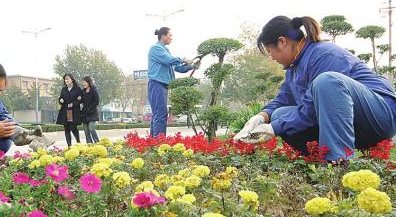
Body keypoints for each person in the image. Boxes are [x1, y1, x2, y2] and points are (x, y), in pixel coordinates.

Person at [234, 16, 396, 161]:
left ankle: (338, 164)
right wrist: (262, 117)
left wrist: (273, 128)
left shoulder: (324, 55)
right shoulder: (294, 68)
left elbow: (311, 109)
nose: (273, 58)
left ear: (282, 42)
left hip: (380, 115)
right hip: (354, 124)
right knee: (278, 114)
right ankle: (317, 159)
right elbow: (284, 99)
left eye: (270, 52)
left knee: (327, 81)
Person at [147, 27, 200, 137]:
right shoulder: (156, 49)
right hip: (157, 84)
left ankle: (154, 141)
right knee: (160, 114)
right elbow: (169, 60)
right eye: (170, 35)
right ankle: (158, 142)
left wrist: (192, 66)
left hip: (162, 86)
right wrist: (183, 59)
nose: (172, 38)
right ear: (163, 36)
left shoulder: (165, 51)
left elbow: (178, 67)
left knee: (158, 114)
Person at [56, 73, 82, 147]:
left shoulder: (77, 89)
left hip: (73, 111)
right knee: (66, 128)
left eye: (67, 78)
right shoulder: (64, 89)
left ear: (72, 79)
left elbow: (80, 100)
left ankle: (78, 142)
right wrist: (60, 100)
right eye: (65, 79)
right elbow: (61, 98)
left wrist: (73, 104)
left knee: (73, 127)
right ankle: (69, 146)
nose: (66, 80)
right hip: (65, 110)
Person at [81, 76, 100, 143]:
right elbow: (80, 100)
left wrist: (90, 108)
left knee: (91, 128)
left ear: (88, 82)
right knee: (86, 131)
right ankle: (90, 144)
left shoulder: (94, 90)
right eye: (82, 83)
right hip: (84, 113)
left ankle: (97, 143)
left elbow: (96, 101)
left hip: (92, 113)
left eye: (84, 82)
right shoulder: (82, 91)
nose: (83, 84)